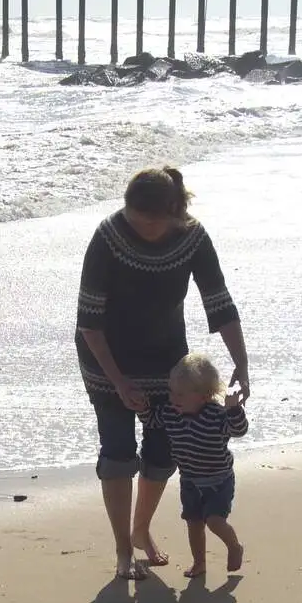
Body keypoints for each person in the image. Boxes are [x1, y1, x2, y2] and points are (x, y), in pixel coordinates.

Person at [75, 166, 249, 580]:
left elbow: (219, 302)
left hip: (166, 361)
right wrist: (118, 381)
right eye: (136, 220)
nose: (144, 229)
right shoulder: (108, 237)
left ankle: (140, 531)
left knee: (161, 452)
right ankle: (122, 551)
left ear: (175, 212)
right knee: (118, 453)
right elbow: (89, 321)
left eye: (151, 222)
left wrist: (241, 362)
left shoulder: (193, 237)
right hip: (105, 359)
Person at [140, 353, 248, 578]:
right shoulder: (170, 413)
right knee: (193, 524)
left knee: (214, 521)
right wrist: (141, 407)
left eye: (180, 394)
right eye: (171, 392)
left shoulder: (216, 415)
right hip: (189, 480)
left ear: (204, 396)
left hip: (218, 480)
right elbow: (151, 420)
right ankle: (199, 563)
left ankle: (234, 546)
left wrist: (234, 409)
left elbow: (238, 430)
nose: (173, 398)